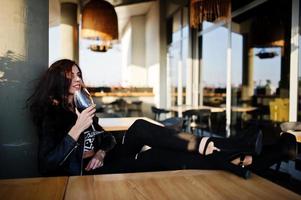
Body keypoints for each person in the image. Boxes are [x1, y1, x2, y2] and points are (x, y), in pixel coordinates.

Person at [27, 59, 296, 178]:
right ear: (57, 81)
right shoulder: (52, 114)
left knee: (141, 126)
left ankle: (241, 153)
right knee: (166, 157)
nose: (77, 79)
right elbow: (46, 165)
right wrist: (76, 129)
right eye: (70, 75)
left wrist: (101, 150)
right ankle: (247, 154)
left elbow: (106, 138)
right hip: (85, 176)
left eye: (78, 74)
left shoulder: (81, 106)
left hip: (105, 161)